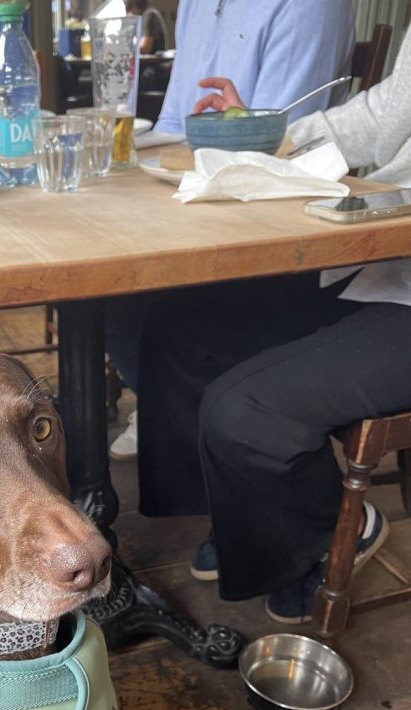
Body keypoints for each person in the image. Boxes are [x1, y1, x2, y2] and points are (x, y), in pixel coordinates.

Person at [132, 23, 411, 623]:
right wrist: (264, 133)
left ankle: (324, 532)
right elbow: (386, 115)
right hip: (383, 262)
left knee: (246, 410)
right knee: (177, 334)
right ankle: (244, 518)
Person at [108, 0, 356, 459]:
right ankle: (169, 407)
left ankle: (191, 421)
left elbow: (275, 145)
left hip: (273, 218)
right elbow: (175, 123)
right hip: (195, 185)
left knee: (129, 288)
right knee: (101, 264)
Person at [155, 0, 355, 135]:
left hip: (270, 190)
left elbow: (275, 144)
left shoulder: (307, 6)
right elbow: (171, 124)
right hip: (187, 181)